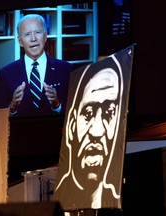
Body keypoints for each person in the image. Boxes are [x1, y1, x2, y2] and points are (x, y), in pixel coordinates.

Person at [53, 50, 131, 211]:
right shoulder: (54, 205)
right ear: (72, 124)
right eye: (88, 113)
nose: (97, 131)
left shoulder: (113, 195)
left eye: (109, 113)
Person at [0, 14, 73, 117]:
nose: (33, 39)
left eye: (37, 32)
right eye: (27, 34)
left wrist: (57, 105)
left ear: (45, 36)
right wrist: (12, 107)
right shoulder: (6, 73)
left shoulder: (65, 69)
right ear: (20, 41)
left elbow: (75, 111)